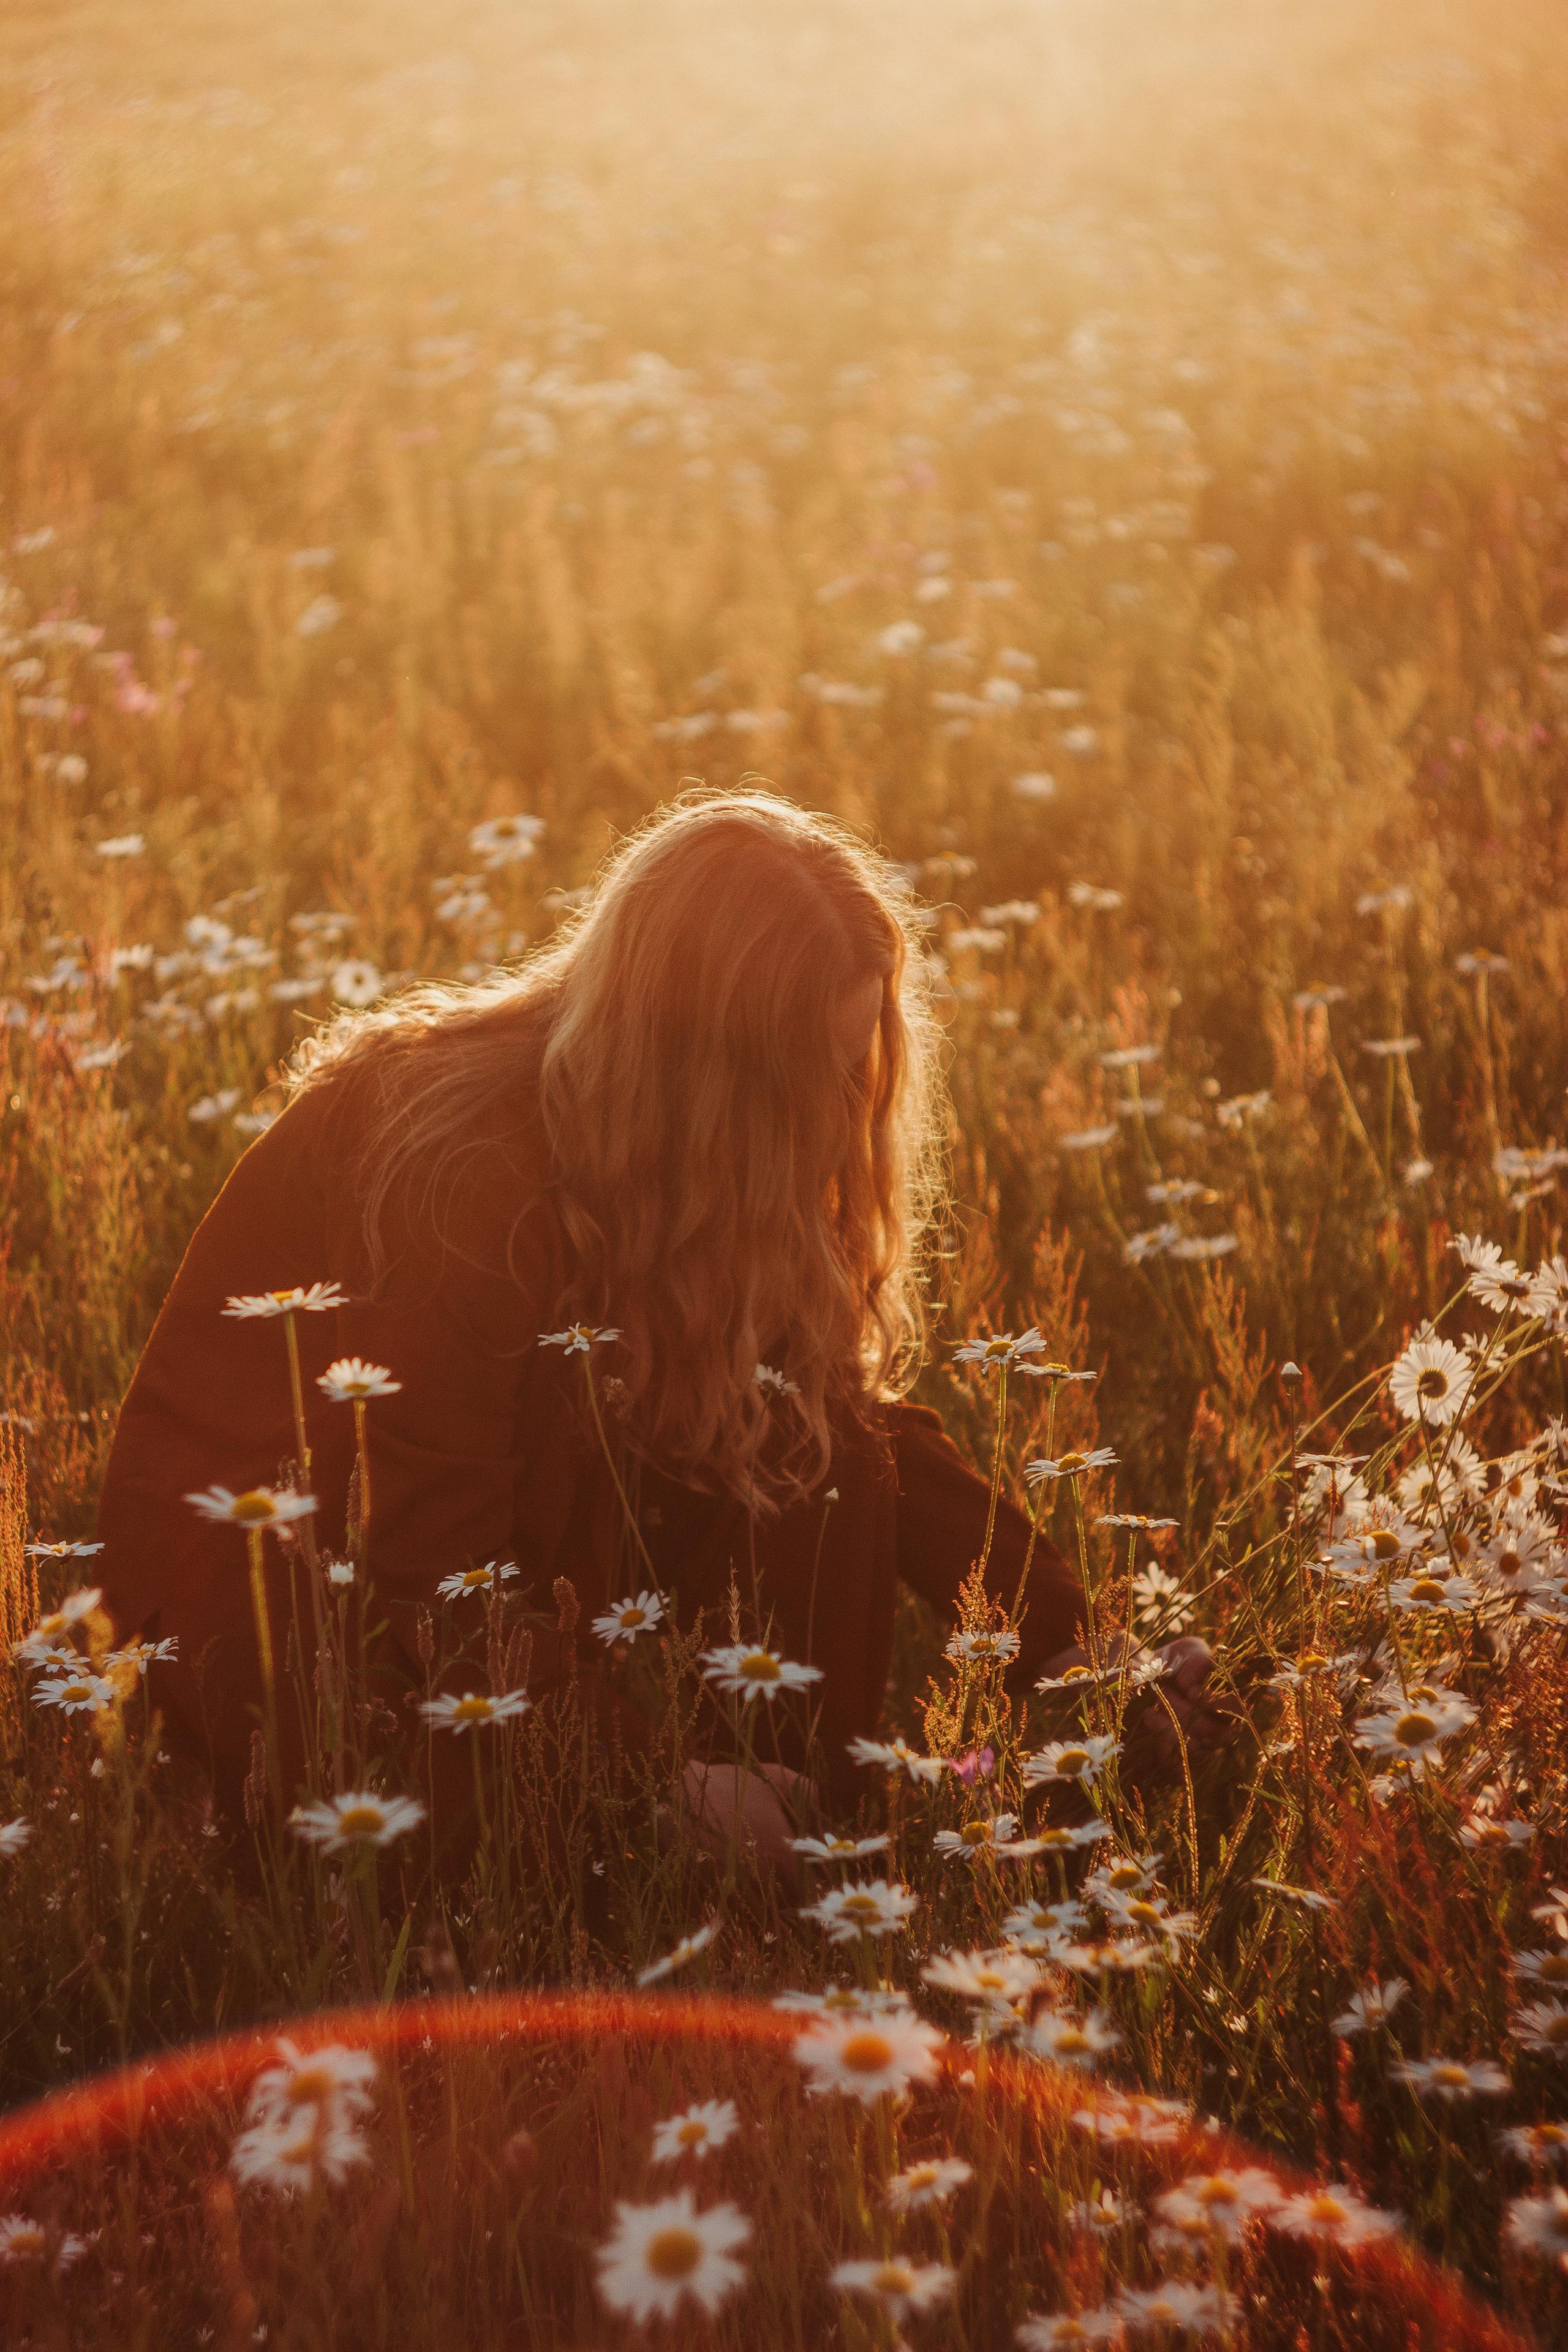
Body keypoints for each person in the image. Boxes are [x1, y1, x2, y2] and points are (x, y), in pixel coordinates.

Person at [95, 790, 1220, 1864]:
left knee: (822, 1456)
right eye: (808, 1086)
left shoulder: (675, 1150)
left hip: (502, 1555)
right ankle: (714, 1832)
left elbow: (828, 1403)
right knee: (426, 1819)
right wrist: (648, 1787)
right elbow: (433, 1581)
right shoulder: (461, 1174)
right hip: (294, 1598)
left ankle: (788, 1817)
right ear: (706, 1072)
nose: (838, 1119)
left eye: (852, 1074)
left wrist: (1066, 1641)